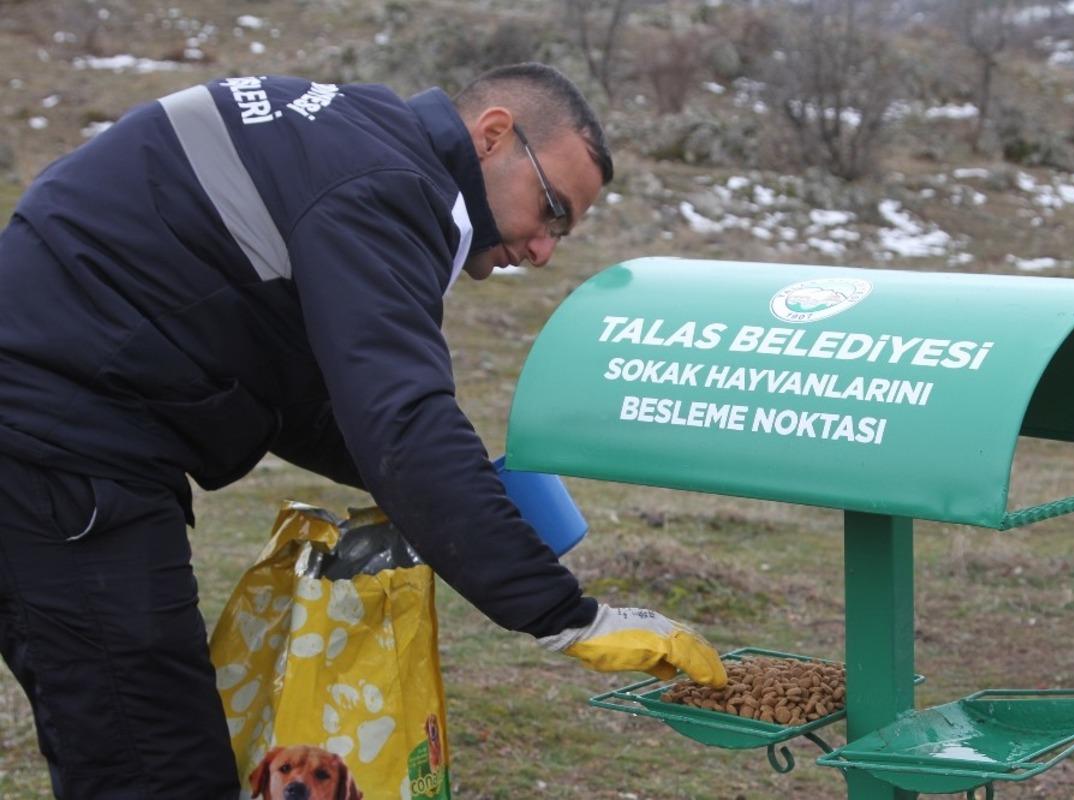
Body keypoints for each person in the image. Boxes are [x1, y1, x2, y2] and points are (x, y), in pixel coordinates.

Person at [0, 62, 726, 799]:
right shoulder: (385, 188)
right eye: (551, 210)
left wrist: (468, 498)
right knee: (155, 767)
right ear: (493, 136)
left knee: (135, 742)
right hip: (54, 444)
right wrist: (567, 616)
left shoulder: (354, 143)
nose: (543, 251)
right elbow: (402, 421)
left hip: (58, 416)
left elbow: (319, 401)